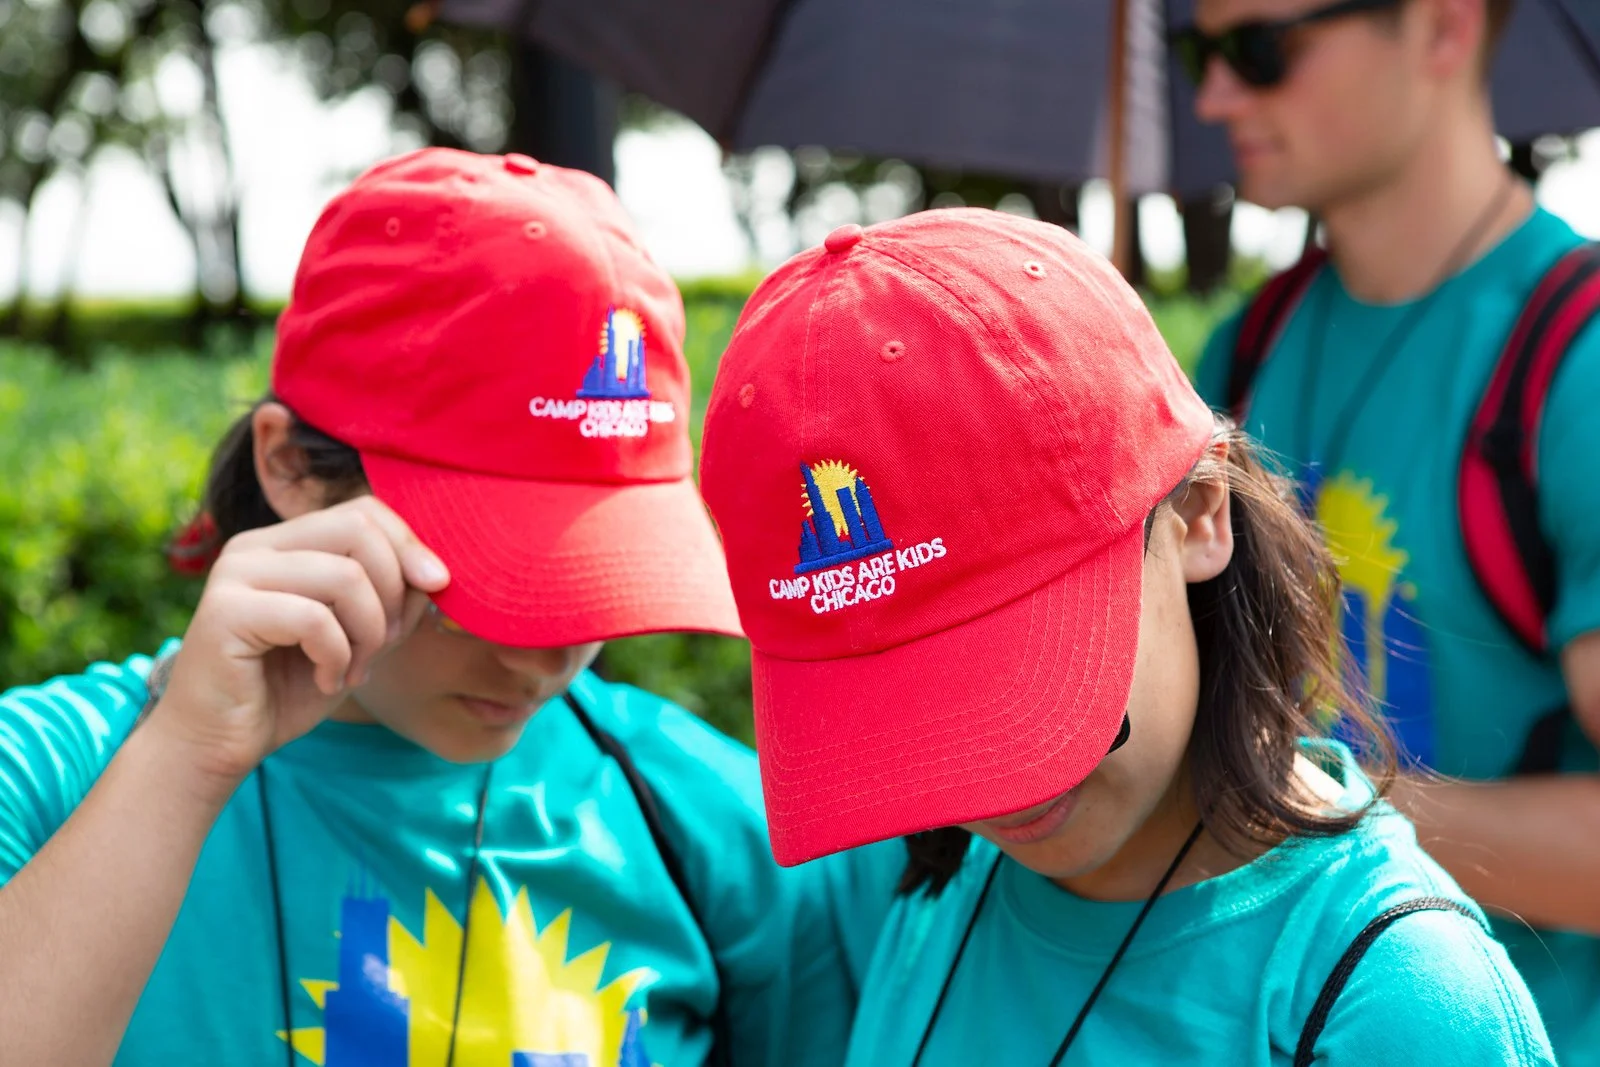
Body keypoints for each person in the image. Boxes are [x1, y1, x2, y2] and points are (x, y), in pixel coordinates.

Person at [0, 148, 891, 1067]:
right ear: (291, 467)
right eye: (481, 584)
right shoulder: (50, 777)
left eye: (599, 583)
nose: (544, 660)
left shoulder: (710, 820)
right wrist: (186, 760)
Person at [696, 209, 1556, 1064]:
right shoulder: (924, 884)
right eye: (908, 719)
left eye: (1017, 688)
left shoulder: (1394, 1003)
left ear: (1200, 511)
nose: (993, 789)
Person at [1179, 0, 1600, 1057]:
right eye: (1198, 50)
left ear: (1443, 27)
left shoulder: (1574, 359)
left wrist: (1306, 798)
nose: (1213, 97)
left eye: (1259, 49)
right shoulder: (1241, 352)